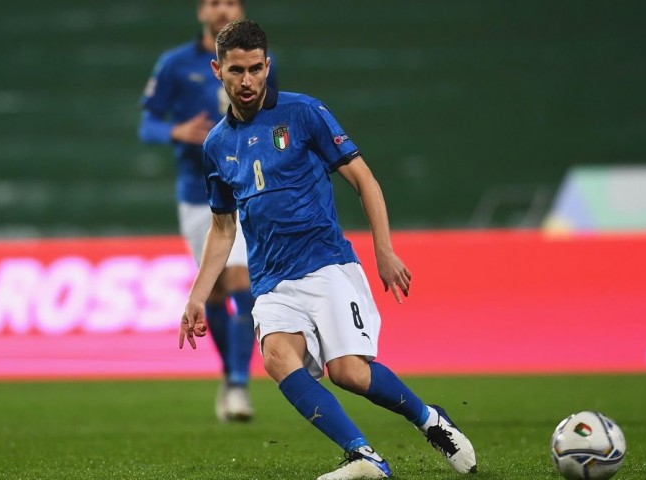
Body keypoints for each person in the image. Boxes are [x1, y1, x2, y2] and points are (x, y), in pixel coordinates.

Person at [180, 20, 477, 479]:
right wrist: (198, 294)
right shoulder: (217, 144)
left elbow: (364, 179)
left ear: (267, 66)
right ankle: (364, 456)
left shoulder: (304, 113)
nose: (247, 81)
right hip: (272, 281)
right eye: (236, 71)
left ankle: (429, 419)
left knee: (349, 373)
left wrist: (384, 250)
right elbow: (222, 226)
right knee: (278, 358)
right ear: (219, 70)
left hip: (327, 265)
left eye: (256, 69)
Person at [139, 0, 276, 420]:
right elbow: (147, 124)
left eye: (229, 2)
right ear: (201, 11)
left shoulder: (255, 62)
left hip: (246, 190)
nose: (222, 10)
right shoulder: (175, 64)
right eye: (214, 3)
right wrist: (174, 131)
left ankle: (238, 384)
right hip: (197, 194)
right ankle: (230, 371)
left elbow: (275, 119)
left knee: (241, 281)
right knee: (213, 293)